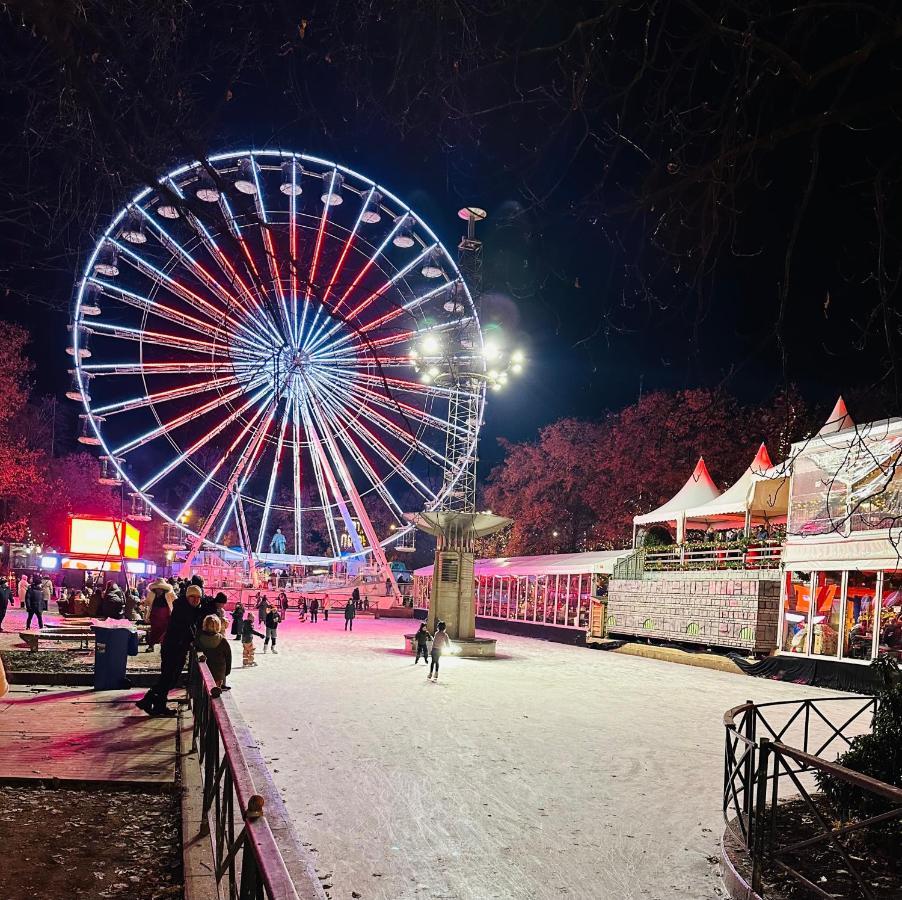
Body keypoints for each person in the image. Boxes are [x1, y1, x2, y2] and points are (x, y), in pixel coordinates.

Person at [137, 584, 204, 716]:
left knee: (168, 679)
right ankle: (150, 700)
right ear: (187, 597)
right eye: (192, 597)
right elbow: (187, 629)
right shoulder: (183, 609)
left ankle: (157, 704)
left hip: (176, 648)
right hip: (173, 648)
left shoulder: (186, 607)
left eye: (198, 597)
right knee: (169, 679)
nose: (196, 600)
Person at [196, 615, 230, 690]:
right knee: (215, 692)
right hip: (218, 672)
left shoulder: (199, 638)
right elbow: (228, 657)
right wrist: (226, 672)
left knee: (204, 690)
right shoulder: (222, 640)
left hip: (202, 671)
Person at [145, 577, 176, 653]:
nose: (158, 590)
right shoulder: (151, 594)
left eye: (160, 588)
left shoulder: (169, 594)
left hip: (165, 615)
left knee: (164, 631)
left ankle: (163, 647)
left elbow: (176, 600)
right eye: (157, 588)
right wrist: (142, 603)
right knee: (154, 631)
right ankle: (151, 645)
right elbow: (147, 602)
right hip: (154, 614)